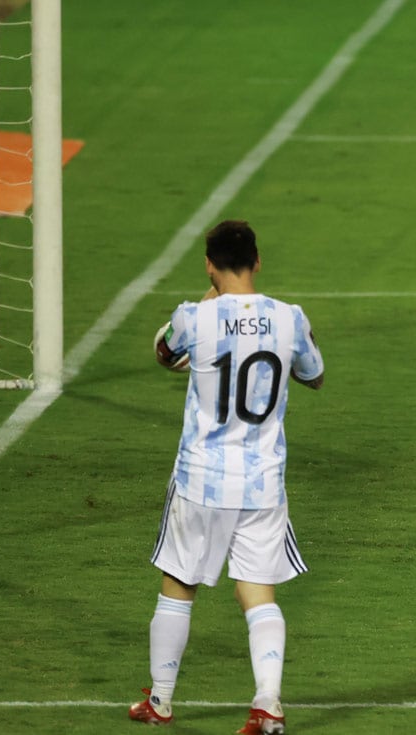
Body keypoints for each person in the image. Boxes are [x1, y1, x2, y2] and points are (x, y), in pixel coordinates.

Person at [129, 220, 324, 733]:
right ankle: (267, 703)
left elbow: (164, 353)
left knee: (178, 585)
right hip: (262, 481)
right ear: (257, 261)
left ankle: (161, 700)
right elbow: (316, 375)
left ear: (209, 266)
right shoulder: (290, 318)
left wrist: (210, 301)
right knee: (259, 595)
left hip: (201, 480)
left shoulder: (194, 317)